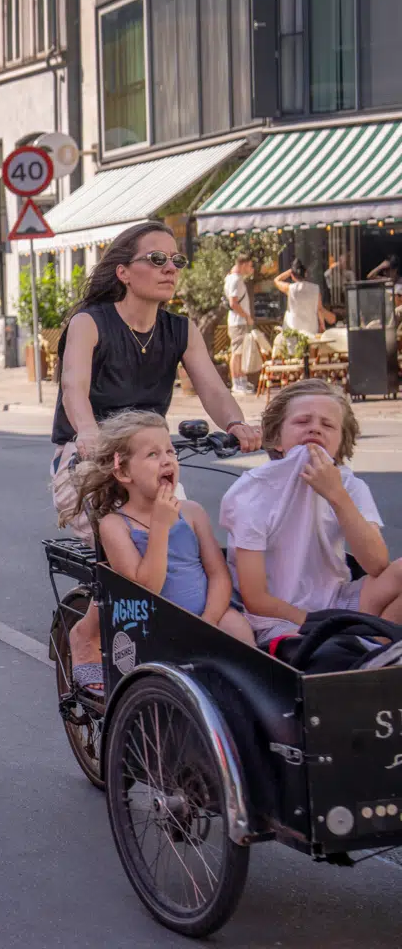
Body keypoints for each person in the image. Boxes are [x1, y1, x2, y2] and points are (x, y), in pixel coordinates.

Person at [51, 221, 262, 689]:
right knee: (121, 546)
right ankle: (87, 634)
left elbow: (212, 387)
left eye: (176, 261)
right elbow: (73, 387)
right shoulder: (90, 323)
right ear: (123, 272)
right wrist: (88, 432)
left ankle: (189, 642)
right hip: (89, 459)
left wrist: (237, 425)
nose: (170, 269)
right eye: (157, 260)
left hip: (149, 456)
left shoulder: (180, 329)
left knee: (179, 535)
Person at [221, 379, 402, 648]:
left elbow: (376, 564)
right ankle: (365, 646)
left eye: (327, 425)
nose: (315, 428)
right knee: (310, 645)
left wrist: (337, 496)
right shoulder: (252, 492)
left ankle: (374, 644)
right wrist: (320, 624)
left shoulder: (350, 486)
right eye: (302, 421)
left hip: (338, 600)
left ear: (340, 443)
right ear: (277, 439)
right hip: (281, 615)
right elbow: (256, 598)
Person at [68, 410, 254, 650]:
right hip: (156, 625)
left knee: (243, 641)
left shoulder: (192, 512)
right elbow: (147, 589)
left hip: (210, 614)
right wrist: (160, 526)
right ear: (124, 472)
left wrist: (208, 620)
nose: (167, 460)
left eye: (170, 451)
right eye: (153, 454)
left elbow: (218, 575)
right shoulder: (115, 525)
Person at [274, 260, 333, 336]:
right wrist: (322, 325)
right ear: (305, 273)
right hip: (310, 329)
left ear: (292, 275)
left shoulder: (290, 288)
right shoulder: (315, 289)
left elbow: (276, 280)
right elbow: (320, 309)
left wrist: (290, 271)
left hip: (293, 329)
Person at [225, 254, 255, 395]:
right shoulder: (236, 280)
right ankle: (236, 383)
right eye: (250, 265)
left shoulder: (232, 278)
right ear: (243, 265)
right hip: (238, 322)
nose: (251, 269)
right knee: (237, 352)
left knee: (240, 351)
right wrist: (247, 316)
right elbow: (233, 303)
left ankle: (241, 381)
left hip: (237, 321)